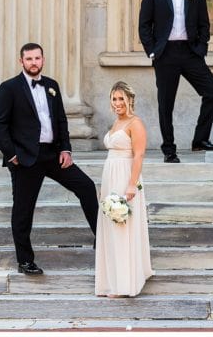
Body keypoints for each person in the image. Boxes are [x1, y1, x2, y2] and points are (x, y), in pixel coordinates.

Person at [0, 43, 99, 276]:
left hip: (52, 154)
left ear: (43, 59)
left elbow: (61, 120)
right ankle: (25, 261)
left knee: (87, 186)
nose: (33, 62)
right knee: (23, 210)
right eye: (29, 59)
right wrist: (12, 155)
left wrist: (66, 149)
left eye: (37, 58)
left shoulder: (52, 86)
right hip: (25, 159)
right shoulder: (9, 88)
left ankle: (102, 239)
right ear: (21, 61)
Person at [138, 0, 213, 162]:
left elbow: (204, 24)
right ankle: (169, 149)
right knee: (166, 103)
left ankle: (200, 140)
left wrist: (202, 47)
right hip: (165, 54)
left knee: (212, 91)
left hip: (190, 52)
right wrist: (152, 51)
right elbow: (144, 25)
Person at [95, 81, 154, 296]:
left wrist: (131, 184)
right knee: (112, 226)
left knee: (123, 226)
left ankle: (125, 284)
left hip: (125, 177)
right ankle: (111, 280)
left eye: (121, 98)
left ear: (129, 100)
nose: (117, 103)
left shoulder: (134, 123)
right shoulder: (115, 123)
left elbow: (138, 154)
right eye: (114, 98)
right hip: (110, 176)